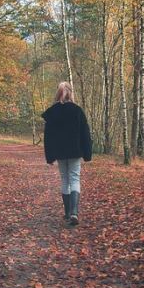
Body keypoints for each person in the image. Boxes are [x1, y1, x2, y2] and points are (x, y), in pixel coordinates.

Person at [42, 82, 92, 226]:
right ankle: (74, 212)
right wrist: (87, 153)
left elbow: (48, 136)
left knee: (65, 179)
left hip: (60, 152)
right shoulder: (77, 111)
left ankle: (67, 213)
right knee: (74, 179)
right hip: (75, 151)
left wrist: (50, 156)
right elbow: (85, 134)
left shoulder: (53, 111)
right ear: (71, 93)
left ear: (58, 93)